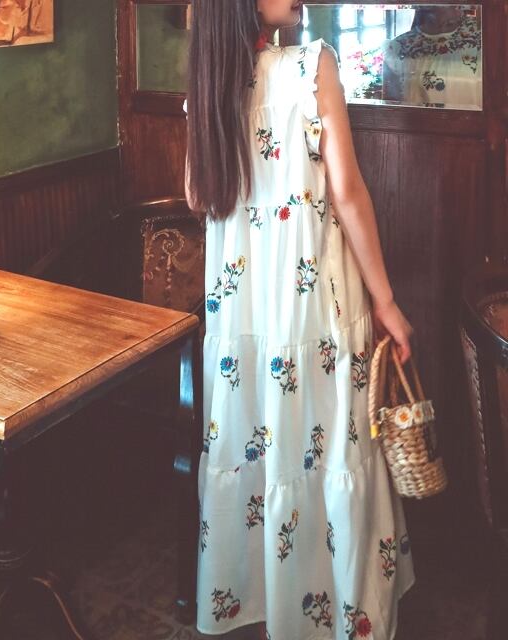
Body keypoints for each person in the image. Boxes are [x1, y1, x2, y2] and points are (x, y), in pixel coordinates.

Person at [183, 1, 416, 639]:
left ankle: (267, 606)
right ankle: (341, 613)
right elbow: (348, 193)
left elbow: (198, 195)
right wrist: (386, 302)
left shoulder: (208, 84)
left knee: (258, 447)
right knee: (332, 446)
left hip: (242, 313)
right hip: (315, 306)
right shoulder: (313, 66)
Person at [382, 6, 482, 109]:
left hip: (478, 119)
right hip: (423, 119)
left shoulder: (483, 35)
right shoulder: (398, 47)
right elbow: (390, 109)